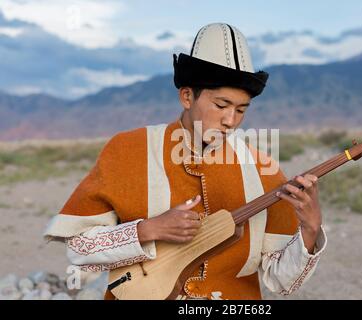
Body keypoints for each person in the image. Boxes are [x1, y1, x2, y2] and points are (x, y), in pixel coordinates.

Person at [43, 23, 327, 300]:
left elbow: (281, 282)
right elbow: (79, 248)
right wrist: (148, 229)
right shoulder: (128, 150)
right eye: (221, 105)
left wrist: (310, 229)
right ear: (187, 96)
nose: (231, 121)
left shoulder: (263, 169)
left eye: (241, 110)